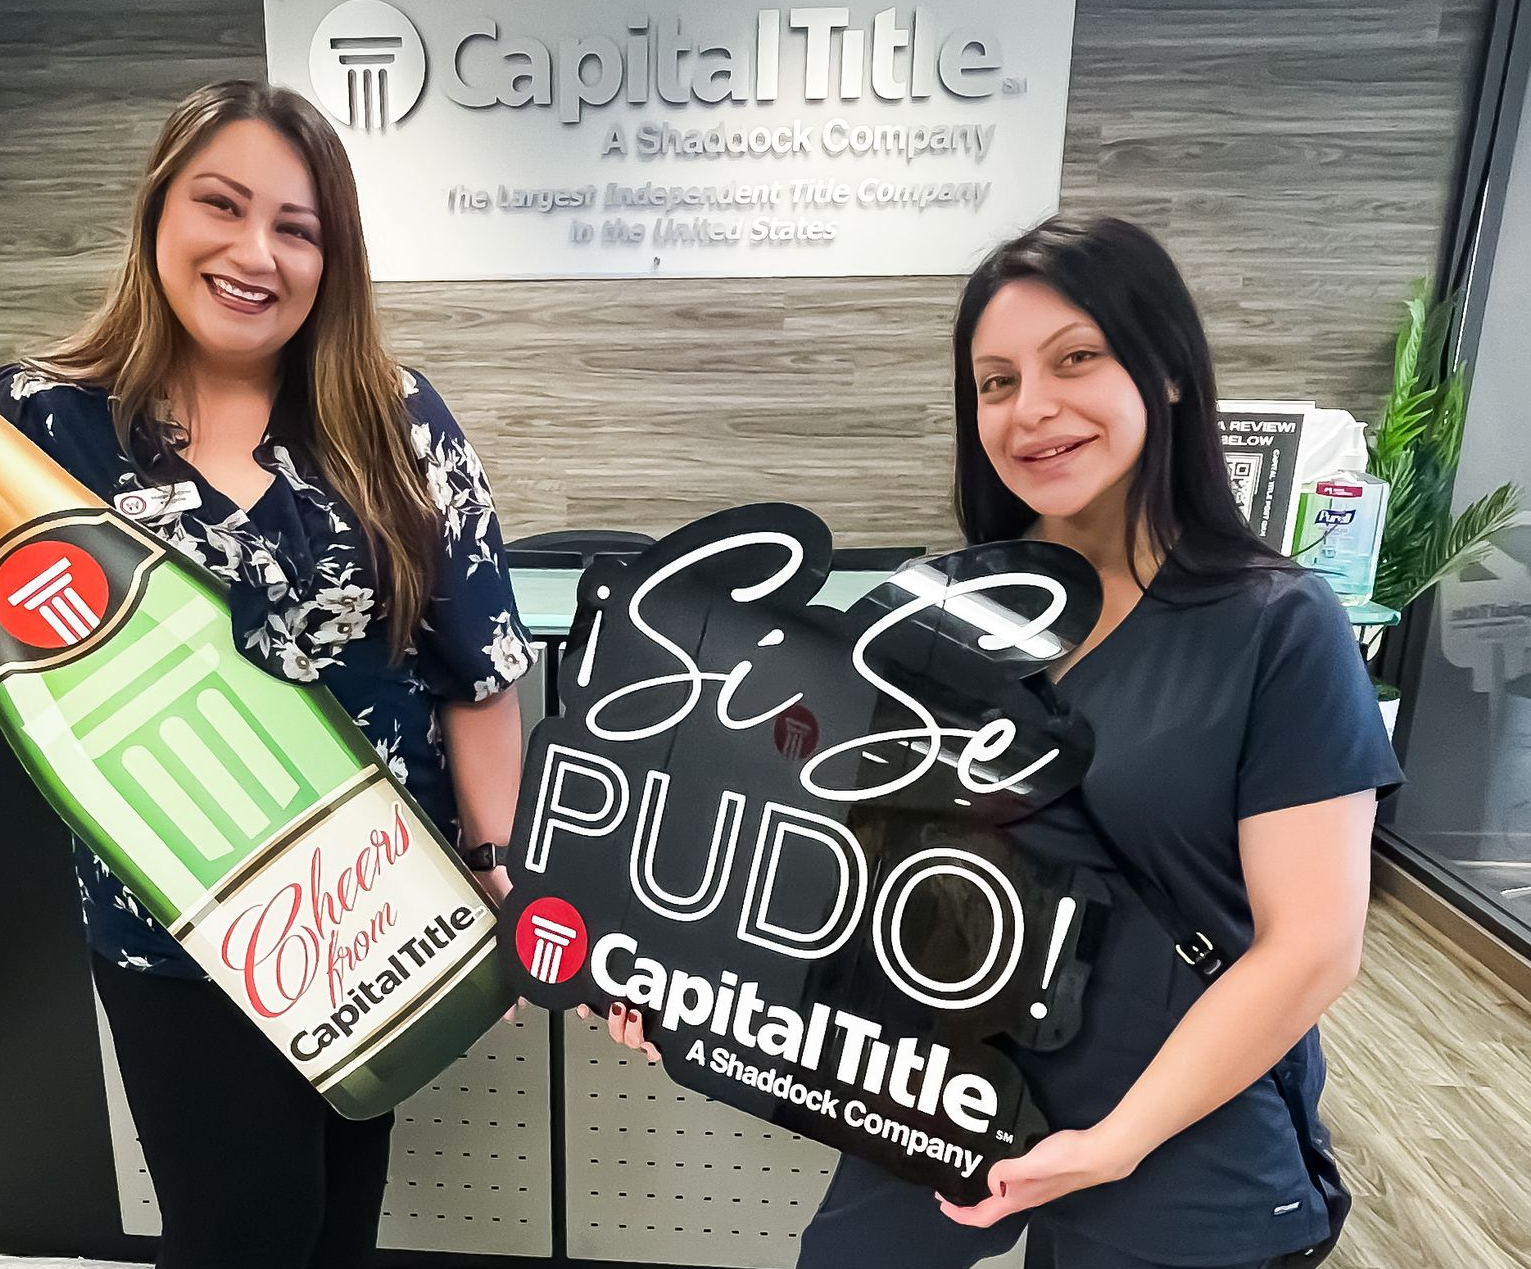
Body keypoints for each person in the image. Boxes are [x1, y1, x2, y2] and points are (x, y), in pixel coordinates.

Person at [600, 215, 1401, 1269]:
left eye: (1075, 359)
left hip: (1179, 1130)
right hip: (946, 1087)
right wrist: (699, 987)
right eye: (994, 381)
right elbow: (866, 872)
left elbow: (1312, 945)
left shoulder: (1275, 621)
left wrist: (1113, 1144)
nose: (1032, 410)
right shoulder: (938, 614)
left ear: (1165, 370)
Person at [0, 79, 535, 1269]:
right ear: (160, 211)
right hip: (179, 923)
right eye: (222, 204)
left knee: (336, 1223)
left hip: (381, 908)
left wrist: (494, 867)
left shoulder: (393, 416)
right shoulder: (30, 425)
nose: (255, 251)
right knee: (238, 1232)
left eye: (298, 227)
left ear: (333, 256)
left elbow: (476, 667)